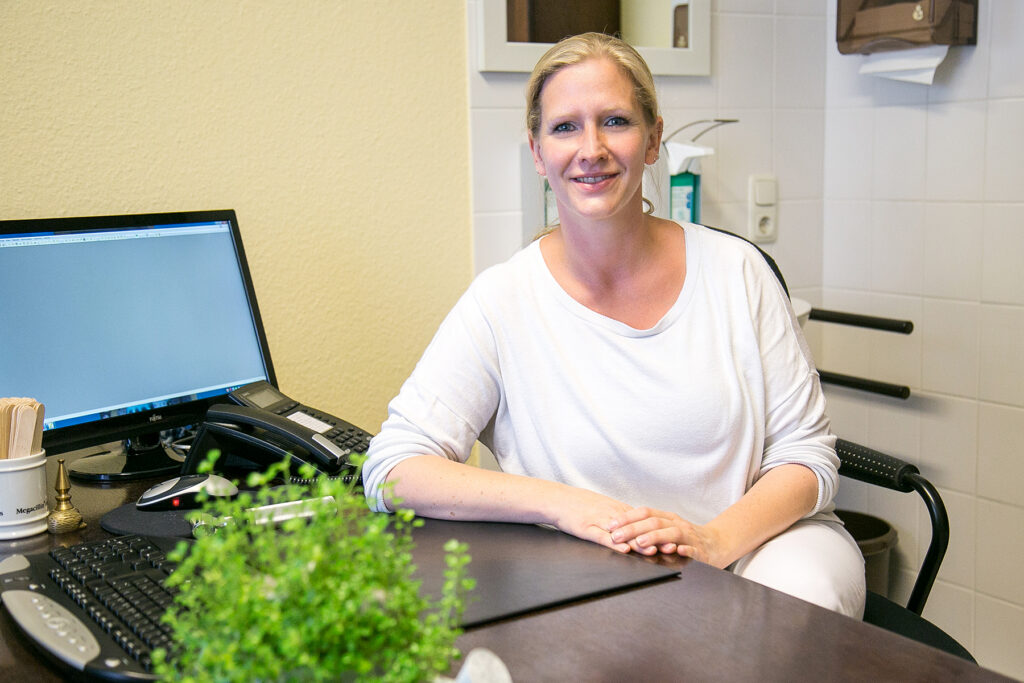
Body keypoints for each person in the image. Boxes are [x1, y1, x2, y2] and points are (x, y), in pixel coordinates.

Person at [362, 32, 866, 618]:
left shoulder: (737, 270)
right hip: (593, 569)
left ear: (652, 140)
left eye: (616, 121)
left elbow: (807, 455)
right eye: (565, 127)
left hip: (757, 549)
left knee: (797, 606)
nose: (592, 148)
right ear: (537, 152)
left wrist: (712, 543)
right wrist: (565, 506)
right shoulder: (503, 300)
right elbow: (393, 468)